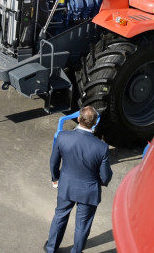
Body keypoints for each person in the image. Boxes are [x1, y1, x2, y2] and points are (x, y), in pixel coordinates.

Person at [45, 106, 113, 253]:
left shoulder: (63, 137)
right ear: (95, 123)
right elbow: (106, 176)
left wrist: (55, 178)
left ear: (78, 119)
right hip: (89, 192)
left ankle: (51, 248)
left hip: (67, 186)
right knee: (82, 225)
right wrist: (102, 182)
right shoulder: (102, 147)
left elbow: (53, 162)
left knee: (60, 216)